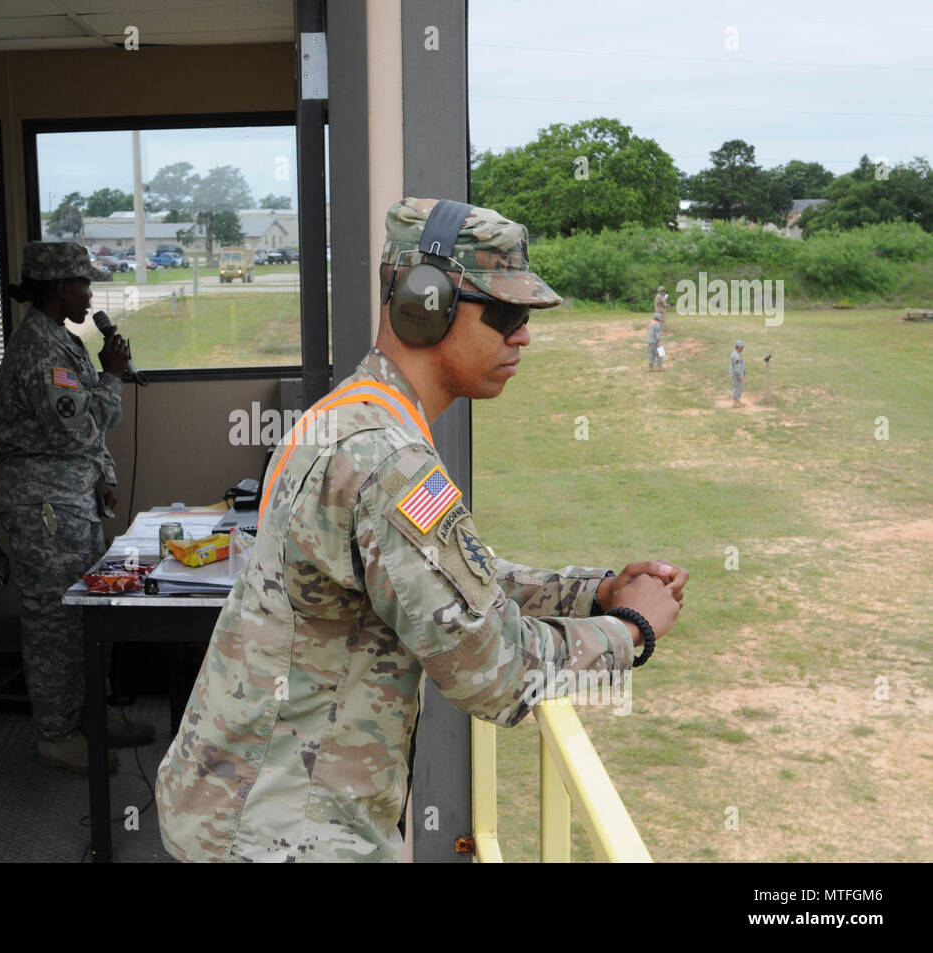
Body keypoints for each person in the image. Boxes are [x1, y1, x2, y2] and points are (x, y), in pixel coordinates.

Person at [155, 197, 688, 863]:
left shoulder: (358, 414)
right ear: (423, 302)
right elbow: (492, 670)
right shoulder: (386, 459)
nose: (523, 334)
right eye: (507, 313)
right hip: (278, 834)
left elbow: (461, 578)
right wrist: (631, 631)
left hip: (246, 810)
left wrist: (598, 591)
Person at [0, 241, 153, 774]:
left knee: (88, 609)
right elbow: (77, 428)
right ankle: (56, 735)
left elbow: (84, 432)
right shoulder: (37, 348)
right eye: (84, 283)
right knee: (54, 619)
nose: (90, 293)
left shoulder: (64, 341)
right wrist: (111, 375)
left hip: (72, 498)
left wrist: (104, 475)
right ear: (61, 286)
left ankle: (90, 717)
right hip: (44, 503)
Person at [730, 340, 746, 407]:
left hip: (736, 374)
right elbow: (737, 367)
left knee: (738, 388)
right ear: (739, 347)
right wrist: (740, 376)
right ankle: (735, 402)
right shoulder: (736, 356)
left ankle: (737, 401)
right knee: (737, 388)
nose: (742, 349)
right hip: (737, 375)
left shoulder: (736, 354)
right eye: (742, 347)